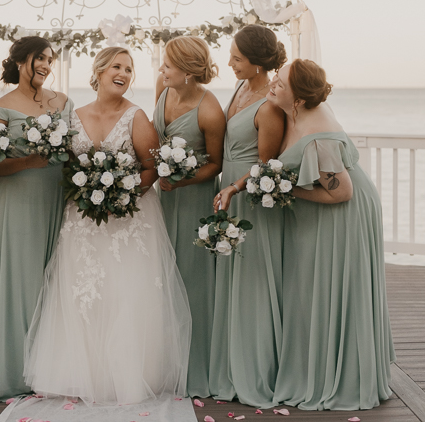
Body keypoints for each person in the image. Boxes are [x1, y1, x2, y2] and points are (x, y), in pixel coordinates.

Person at [23, 47, 191, 406]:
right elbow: (68, 166)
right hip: (82, 220)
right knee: (81, 292)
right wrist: (89, 189)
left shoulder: (137, 117)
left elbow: (151, 168)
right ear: (99, 71)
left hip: (129, 220)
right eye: (117, 66)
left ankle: (126, 375)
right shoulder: (73, 116)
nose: (124, 73)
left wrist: (122, 196)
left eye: (129, 69)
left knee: (124, 292)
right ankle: (77, 373)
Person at [268, 59, 395, 410]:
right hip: (329, 208)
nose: (273, 85)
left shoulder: (318, 137)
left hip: (342, 212)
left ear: (298, 98)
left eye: (279, 83)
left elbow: (340, 192)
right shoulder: (302, 109)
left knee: (332, 286)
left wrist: (286, 191)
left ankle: (340, 376)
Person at [0, 36, 73, 401]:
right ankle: (15, 371)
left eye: (50, 60)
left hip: (55, 199)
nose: (46, 65)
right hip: (14, 202)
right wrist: (29, 160)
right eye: (40, 58)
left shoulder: (63, 102)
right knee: (20, 286)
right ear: (21, 60)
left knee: (54, 284)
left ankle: (51, 369)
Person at [209, 24, 286, 408]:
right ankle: (227, 362)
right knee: (230, 281)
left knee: (251, 282)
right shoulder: (241, 88)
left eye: (237, 58)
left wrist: (234, 188)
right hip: (226, 190)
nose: (229, 63)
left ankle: (253, 368)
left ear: (257, 63)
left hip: (246, 196)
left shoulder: (270, 106)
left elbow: (264, 165)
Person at [153, 35, 225, 399]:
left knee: (191, 279)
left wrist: (179, 181)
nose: (161, 70)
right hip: (162, 199)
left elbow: (216, 164)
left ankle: (195, 366)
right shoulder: (162, 90)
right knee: (160, 276)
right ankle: (163, 362)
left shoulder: (210, 111)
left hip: (192, 198)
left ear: (187, 70)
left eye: (167, 65)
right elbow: (154, 141)